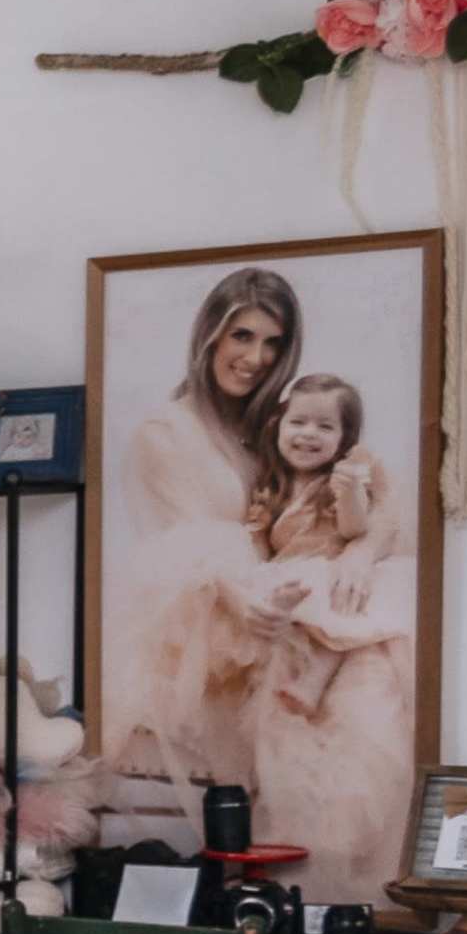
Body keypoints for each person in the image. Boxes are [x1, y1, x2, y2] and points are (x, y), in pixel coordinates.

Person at [116, 266, 301, 792]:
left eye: (273, 343)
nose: (256, 358)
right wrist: (241, 599)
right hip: (204, 627)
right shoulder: (166, 431)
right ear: (210, 334)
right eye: (242, 335)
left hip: (272, 606)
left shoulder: (271, 428)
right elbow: (181, 546)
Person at [236, 370, 416, 893]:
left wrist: (351, 492)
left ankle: (315, 677)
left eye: (324, 427)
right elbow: (260, 543)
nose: (308, 435)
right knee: (294, 590)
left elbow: (357, 532)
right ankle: (305, 650)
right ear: (278, 425)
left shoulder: (349, 472)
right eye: (299, 422)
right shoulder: (269, 484)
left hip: (332, 567)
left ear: (344, 439)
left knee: (337, 596)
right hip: (289, 574)